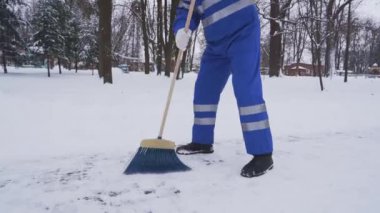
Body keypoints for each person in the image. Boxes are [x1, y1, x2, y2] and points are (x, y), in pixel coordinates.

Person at [174, 0, 274, 178]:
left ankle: (263, 154)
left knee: (246, 90)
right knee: (204, 91)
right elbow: (186, 11)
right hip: (215, 44)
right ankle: (202, 142)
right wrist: (181, 30)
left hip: (244, 33)